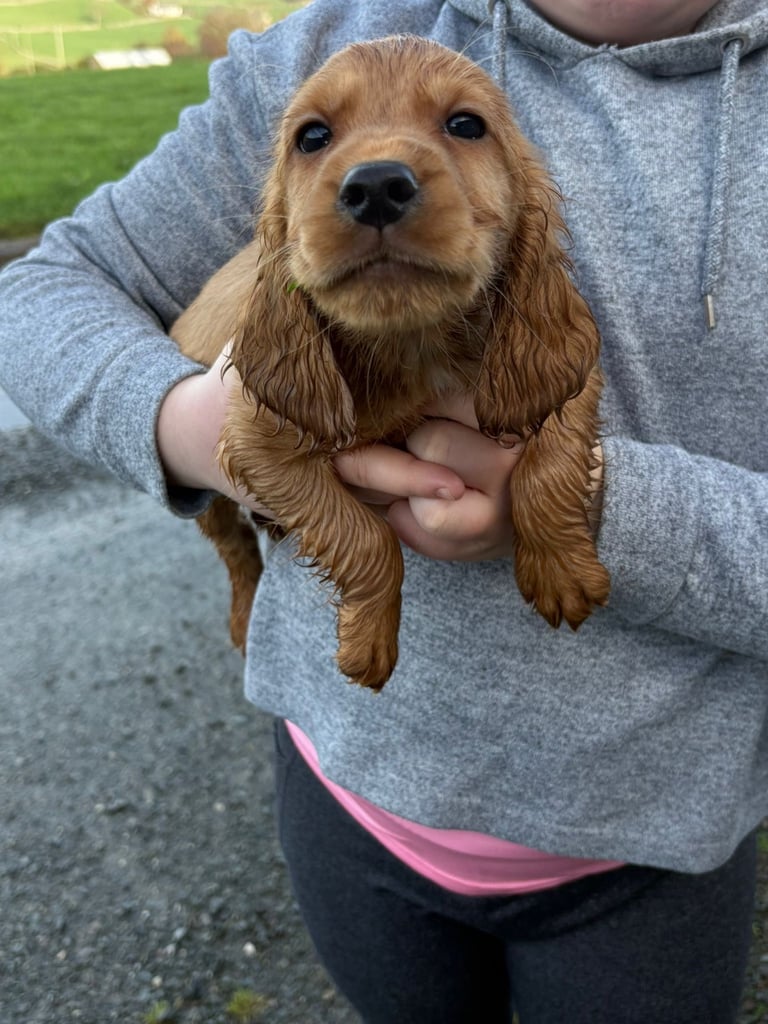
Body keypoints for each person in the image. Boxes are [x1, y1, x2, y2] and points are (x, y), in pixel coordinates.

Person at [1, 1, 766, 1020]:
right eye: (320, 142)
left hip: (656, 850)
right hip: (347, 800)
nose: (373, 174)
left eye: (462, 127)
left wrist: (588, 506)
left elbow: (560, 373)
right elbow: (42, 292)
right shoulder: (323, 44)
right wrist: (201, 427)